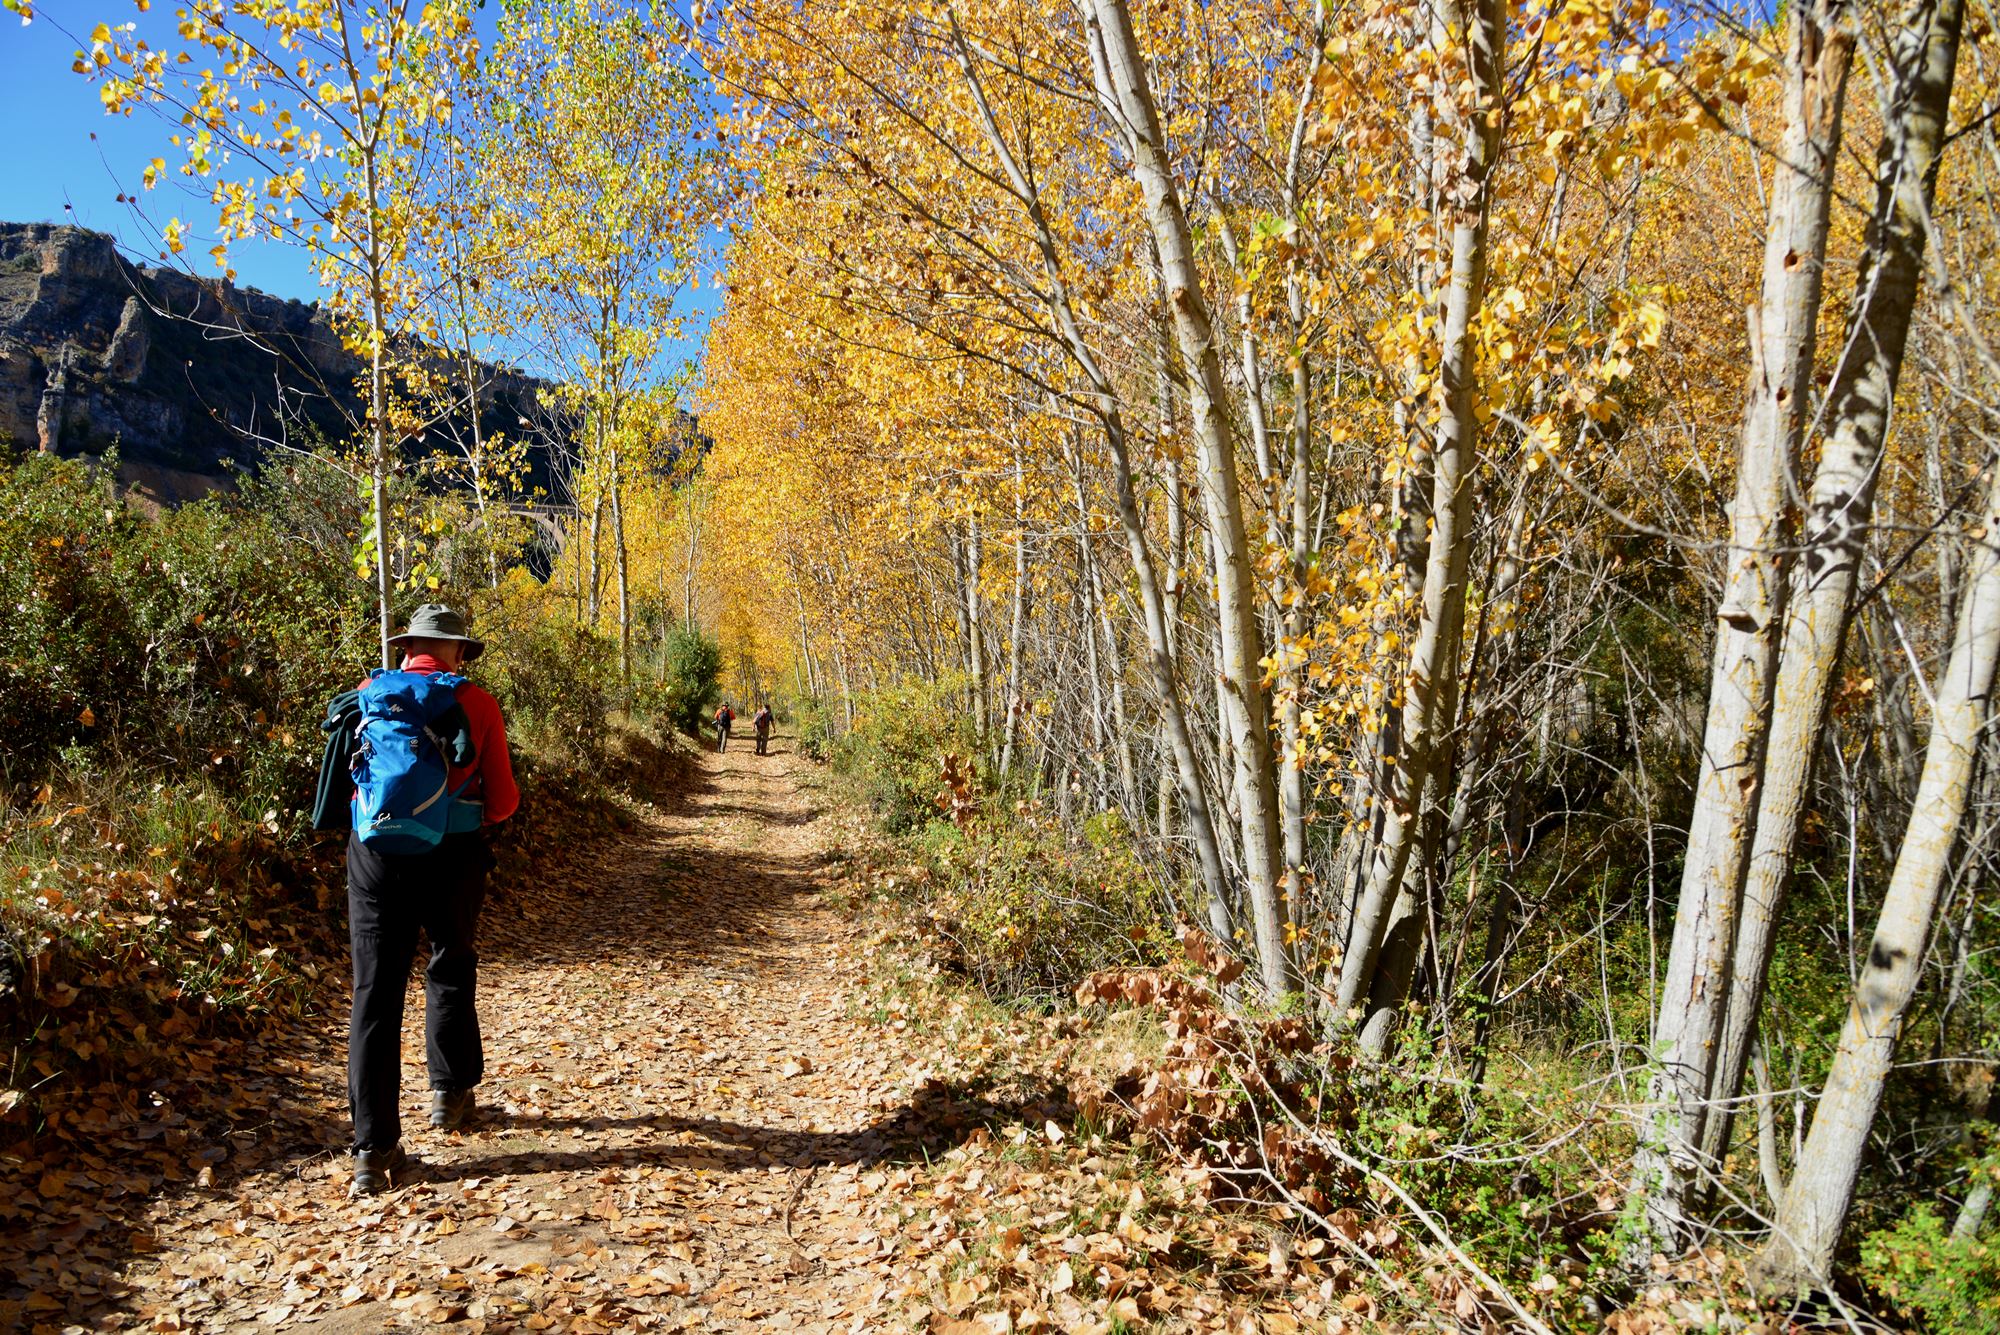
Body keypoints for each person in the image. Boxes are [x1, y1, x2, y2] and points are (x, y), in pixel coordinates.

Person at [346, 605, 518, 1196]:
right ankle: (449, 1093)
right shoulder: (477, 703)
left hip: (375, 854)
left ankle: (372, 1151)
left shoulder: (370, 692)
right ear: (459, 652)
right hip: (454, 851)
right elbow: (504, 801)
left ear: (407, 648)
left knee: (374, 991)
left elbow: (352, 781)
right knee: (450, 961)